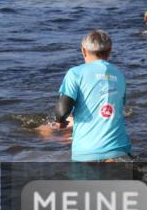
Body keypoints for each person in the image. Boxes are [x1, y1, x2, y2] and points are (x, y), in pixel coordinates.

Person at [52, 30, 132, 162]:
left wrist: (59, 122)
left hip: (87, 152)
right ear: (110, 51)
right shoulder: (119, 75)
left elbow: (62, 111)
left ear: (83, 50)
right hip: (120, 149)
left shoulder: (75, 73)